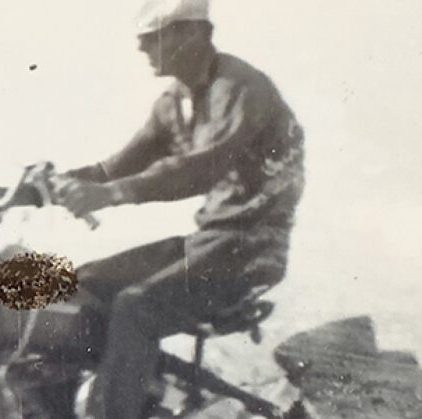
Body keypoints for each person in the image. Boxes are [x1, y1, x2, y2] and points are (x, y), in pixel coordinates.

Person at [51, 0, 307, 417]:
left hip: (252, 249)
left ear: (193, 33)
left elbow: (200, 170)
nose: (141, 47)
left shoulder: (239, 88)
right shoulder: (173, 102)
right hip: (208, 243)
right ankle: (115, 396)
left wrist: (112, 194)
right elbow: (116, 166)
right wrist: (48, 185)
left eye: (152, 37)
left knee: (137, 308)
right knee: (80, 285)